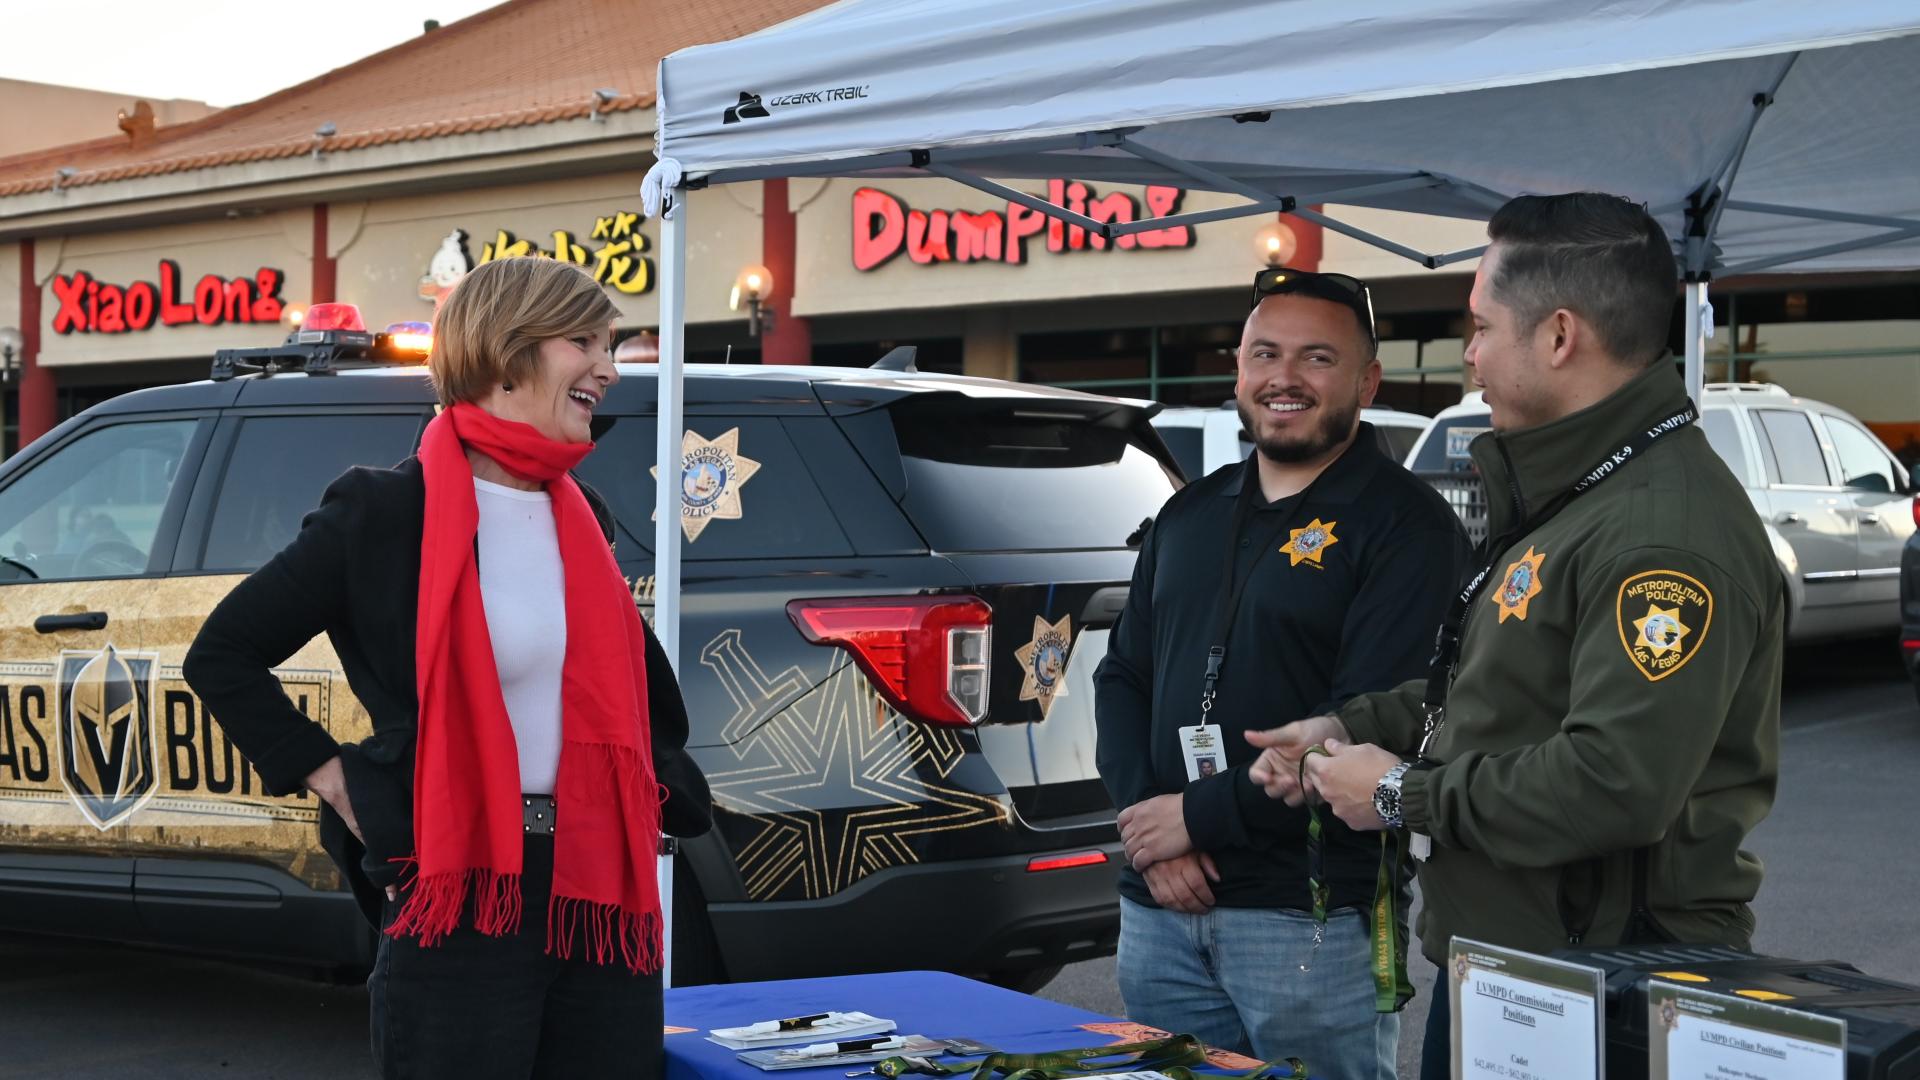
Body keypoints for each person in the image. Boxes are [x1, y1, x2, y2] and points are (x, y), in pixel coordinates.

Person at [1248, 193, 1784, 1079]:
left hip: (1601, 985)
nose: (1470, 356)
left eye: (1483, 327)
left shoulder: (1661, 532)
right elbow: (1501, 693)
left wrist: (1399, 795)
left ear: (1560, 336)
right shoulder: (1582, 496)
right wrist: (1355, 727)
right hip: (1519, 966)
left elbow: (1615, 784)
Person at [185, 257, 712, 1080]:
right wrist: (336, 780)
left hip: (596, 887)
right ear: (507, 353)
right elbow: (222, 655)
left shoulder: (582, 515)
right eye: (584, 341)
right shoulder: (383, 511)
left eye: (611, 344)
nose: (609, 368)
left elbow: (634, 694)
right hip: (458, 887)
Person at [1095, 267, 1470, 1079]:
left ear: (1367, 380)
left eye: (1316, 359)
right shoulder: (1190, 513)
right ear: (1239, 369)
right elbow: (1121, 676)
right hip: (1161, 906)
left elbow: (1372, 719)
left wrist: (1196, 817)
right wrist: (1149, 831)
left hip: (1308, 919)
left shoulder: (1408, 528)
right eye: (1265, 354)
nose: (1285, 379)